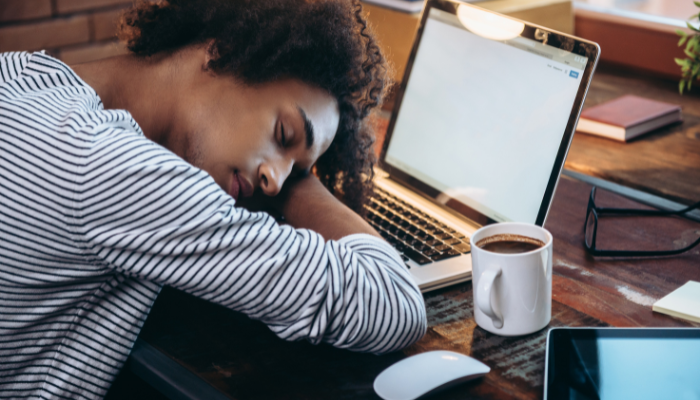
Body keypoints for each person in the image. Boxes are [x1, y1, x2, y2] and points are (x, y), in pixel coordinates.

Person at [0, 0, 427, 398]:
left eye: (294, 173)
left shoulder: (23, 77)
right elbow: (394, 304)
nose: (274, 184)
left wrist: (285, 158)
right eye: (283, 134)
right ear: (223, 53)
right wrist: (299, 184)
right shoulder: (114, 167)